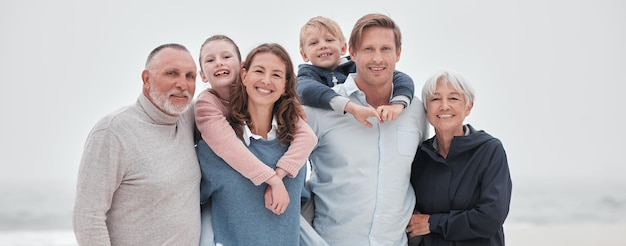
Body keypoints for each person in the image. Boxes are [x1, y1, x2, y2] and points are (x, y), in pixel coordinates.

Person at [303, 13, 429, 245]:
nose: (377, 58)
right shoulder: (319, 111)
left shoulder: (416, 112)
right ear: (352, 52)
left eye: (386, 49)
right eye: (368, 49)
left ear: (398, 53)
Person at [73, 43, 201, 245]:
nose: (182, 84)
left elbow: (234, 110)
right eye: (171, 73)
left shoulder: (188, 119)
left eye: (190, 76)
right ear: (146, 79)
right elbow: (88, 217)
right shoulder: (113, 132)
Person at [197, 43, 315, 246]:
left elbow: (301, 205)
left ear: (286, 85)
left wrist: (278, 176)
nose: (266, 80)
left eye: (277, 75)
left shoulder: (293, 148)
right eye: (259, 71)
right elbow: (192, 205)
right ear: (244, 75)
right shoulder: (212, 150)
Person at [406, 71, 512, 246]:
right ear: (426, 109)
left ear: (468, 107)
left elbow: (491, 217)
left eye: (454, 98)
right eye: (435, 99)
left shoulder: (489, 150)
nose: (444, 106)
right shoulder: (419, 157)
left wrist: (433, 223)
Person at [297, 16, 416, 128]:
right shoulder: (307, 74)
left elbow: (401, 78)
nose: (322, 46)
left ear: (343, 48)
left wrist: (397, 105)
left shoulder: (358, 66)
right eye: (314, 43)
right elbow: (305, 90)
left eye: (329, 40)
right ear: (304, 54)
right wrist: (350, 107)